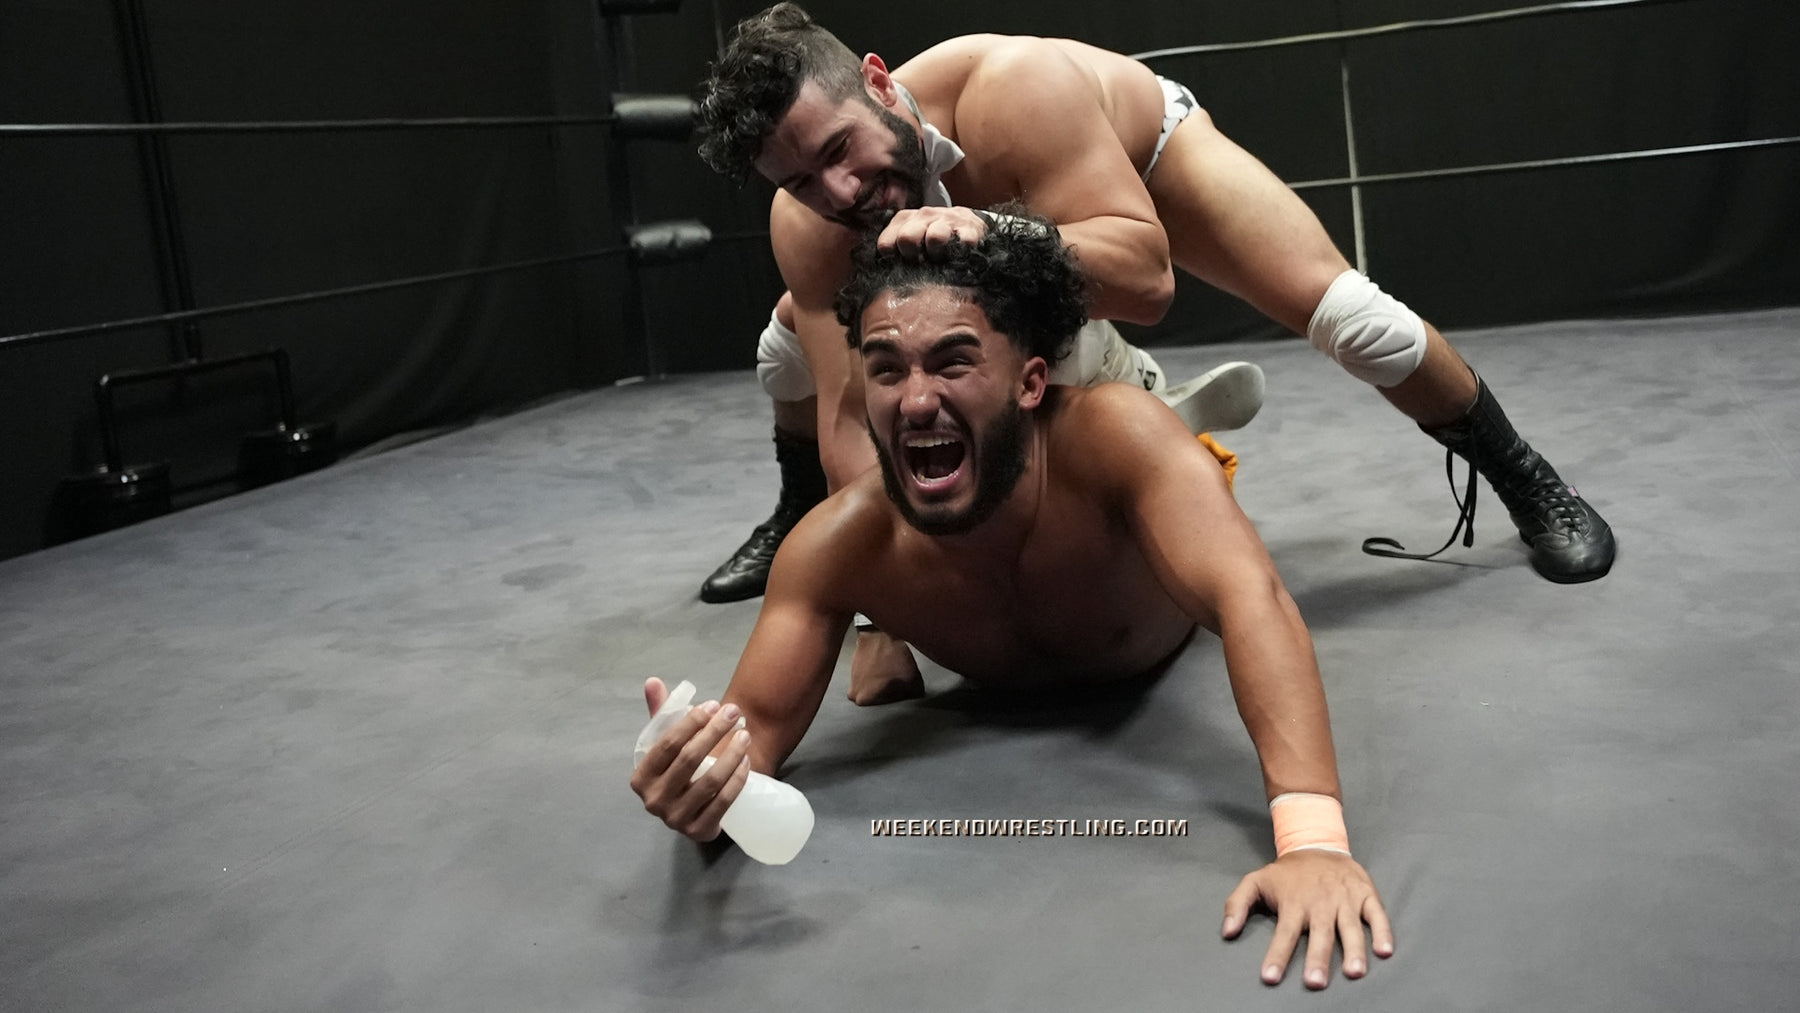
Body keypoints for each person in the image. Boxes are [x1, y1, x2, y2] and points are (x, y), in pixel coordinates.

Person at [632, 215, 1393, 990]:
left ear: (1031, 382)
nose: (916, 400)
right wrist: (698, 780)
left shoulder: (1113, 440)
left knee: (1175, 459)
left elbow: (1251, 597)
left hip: (1146, 486)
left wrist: (1313, 842)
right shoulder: (837, 545)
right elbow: (751, 733)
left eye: (953, 362)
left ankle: (1187, 427)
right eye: (887, 370)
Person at [693, 2, 1614, 613]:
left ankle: (1530, 480)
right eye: (801, 180)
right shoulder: (811, 224)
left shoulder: (1013, 91)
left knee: (1359, 322)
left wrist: (991, 232)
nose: (841, 191)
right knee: (787, 352)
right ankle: (794, 513)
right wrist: (878, 607)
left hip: (1140, 168)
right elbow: (850, 414)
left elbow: (1145, 281)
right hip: (1001, 233)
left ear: (878, 81)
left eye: (841, 149)